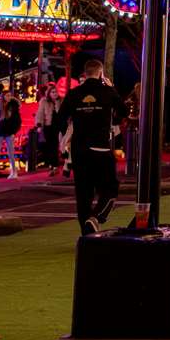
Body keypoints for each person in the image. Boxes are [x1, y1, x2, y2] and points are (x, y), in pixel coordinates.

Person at [60, 59, 123, 235]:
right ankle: (96, 217)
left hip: (79, 150)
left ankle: (86, 233)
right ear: (101, 74)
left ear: (85, 74)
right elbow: (123, 111)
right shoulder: (107, 92)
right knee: (110, 187)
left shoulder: (73, 94)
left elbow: (60, 118)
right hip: (100, 148)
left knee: (83, 193)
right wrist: (111, 89)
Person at [0, 87, 23, 178]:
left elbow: (18, 121)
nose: (9, 97)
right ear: (3, 96)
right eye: (7, 95)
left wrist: (14, 131)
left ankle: (14, 172)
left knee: (11, 153)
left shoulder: (13, 107)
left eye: (10, 95)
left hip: (9, 133)